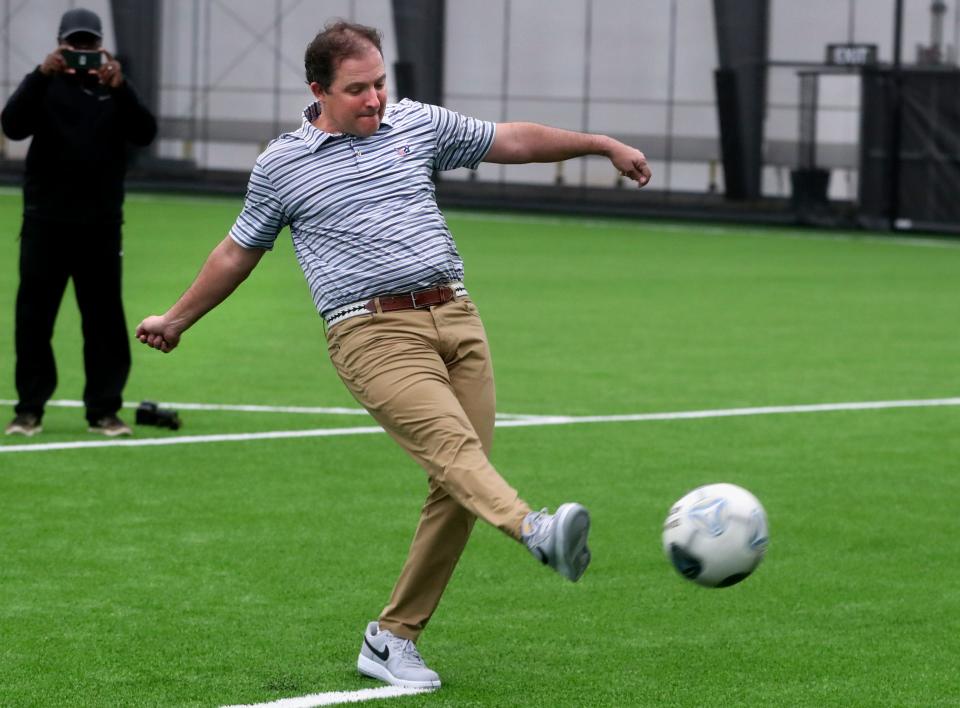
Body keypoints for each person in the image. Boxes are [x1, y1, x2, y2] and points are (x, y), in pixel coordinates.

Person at [136, 21, 651, 690]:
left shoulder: (416, 124)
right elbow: (238, 251)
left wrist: (602, 144)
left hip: (458, 319)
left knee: (459, 483)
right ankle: (536, 530)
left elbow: (512, 139)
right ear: (318, 90)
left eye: (380, 82)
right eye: (358, 90)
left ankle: (391, 638)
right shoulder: (282, 163)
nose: (375, 98)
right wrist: (177, 320)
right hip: (370, 335)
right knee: (457, 455)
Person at [2, 7, 157, 438]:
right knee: (34, 319)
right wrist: (39, 74)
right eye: (75, 44)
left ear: (102, 46)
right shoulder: (44, 85)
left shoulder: (113, 89)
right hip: (44, 224)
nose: (82, 52)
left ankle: (104, 411)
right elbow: (12, 126)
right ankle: (28, 410)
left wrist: (121, 87)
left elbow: (145, 133)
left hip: (100, 227)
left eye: (90, 44)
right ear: (60, 45)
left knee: (104, 321)